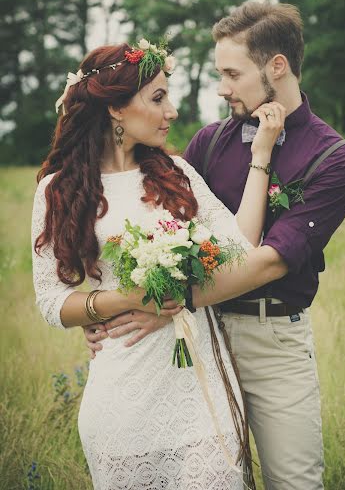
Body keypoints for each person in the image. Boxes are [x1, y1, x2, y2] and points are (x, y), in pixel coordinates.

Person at [85, 2, 345, 490]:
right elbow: (149, 231)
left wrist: (168, 302)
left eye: (232, 74)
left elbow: (269, 263)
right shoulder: (209, 142)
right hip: (191, 340)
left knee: (294, 482)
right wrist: (103, 311)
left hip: (272, 343)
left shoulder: (334, 158)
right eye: (219, 73)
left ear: (277, 66)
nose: (221, 88)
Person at [31, 39, 288, 490]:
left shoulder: (175, 172)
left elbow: (241, 244)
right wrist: (122, 300)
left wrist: (261, 154)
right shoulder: (58, 189)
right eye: (157, 98)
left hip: (200, 392)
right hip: (123, 399)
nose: (171, 111)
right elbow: (53, 303)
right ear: (115, 108)